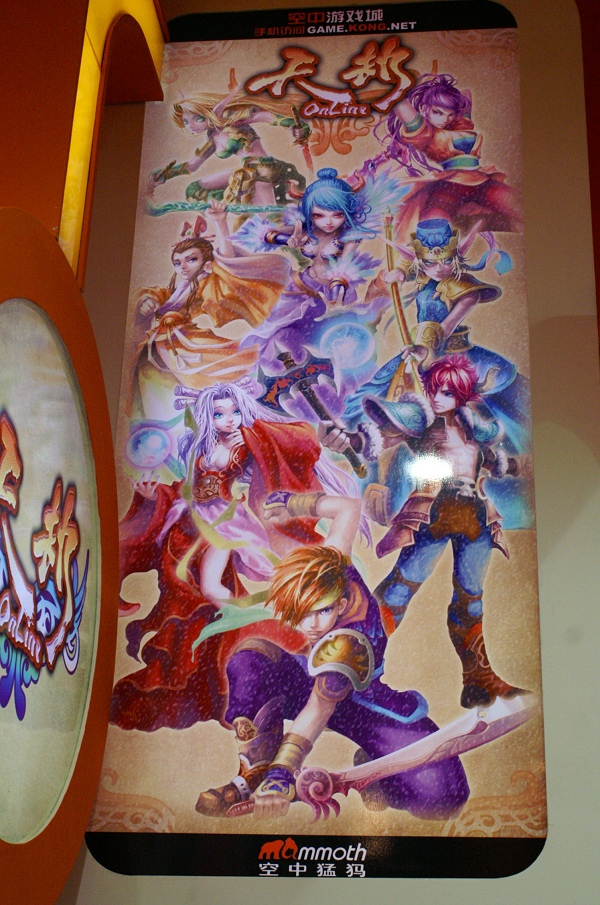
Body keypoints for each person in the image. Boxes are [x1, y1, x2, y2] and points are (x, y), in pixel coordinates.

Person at [110, 379, 365, 732]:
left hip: (226, 522)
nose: (229, 420)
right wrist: (155, 496)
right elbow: (189, 488)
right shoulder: (201, 447)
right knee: (197, 593)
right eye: (219, 414)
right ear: (208, 416)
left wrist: (320, 434)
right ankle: (235, 634)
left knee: (213, 588)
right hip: (194, 521)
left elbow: (292, 440)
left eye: (234, 412)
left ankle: (257, 625)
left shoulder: (246, 439)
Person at [196, 541, 470, 821]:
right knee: (251, 659)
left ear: (341, 604)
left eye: (323, 611)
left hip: (366, 711)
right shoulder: (334, 566)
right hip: (307, 683)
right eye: (302, 613)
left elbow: (318, 711)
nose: (312, 624)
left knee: (444, 797)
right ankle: (254, 770)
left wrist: (281, 776)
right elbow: (342, 520)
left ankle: (377, 775)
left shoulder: (347, 641)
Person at [322, 355, 528, 710]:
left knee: (471, 599)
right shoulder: (421, 419)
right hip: (434, 514)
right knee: (399, 590)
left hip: (476, 518)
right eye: (434, 390)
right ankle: (354, 663)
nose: (436, 398)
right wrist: (349, 440)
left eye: (447, 392)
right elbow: (380, 437)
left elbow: (493, 461)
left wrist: (517, 465)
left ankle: (478, 680)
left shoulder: (473, 427)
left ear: (461, 396)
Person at [127, 201, 290, 419]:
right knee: (151, 379)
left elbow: (227, 260)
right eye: (177, 263)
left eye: (191, 260)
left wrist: (220, 222)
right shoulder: (179, 289)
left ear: (206, 263)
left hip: (200, 347)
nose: (183, 267)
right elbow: (162, 296)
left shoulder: (212, 281)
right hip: (171, 349)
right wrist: (148, 301)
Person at [364, 73, 523, 242]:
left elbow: (466, 93)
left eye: (450, 114)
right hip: (450, 187)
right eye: (437, 112)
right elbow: (399, 102)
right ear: (425, 109)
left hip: (483, 183)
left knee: (521, 207)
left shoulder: (460, 125)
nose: (444, 120)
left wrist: (444, 93)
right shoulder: (425, 133)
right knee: (433, 229)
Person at [147, 87, 308, 211]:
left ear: (208, 113)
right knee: (195, 189)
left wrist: (293, 127)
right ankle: (227, 207)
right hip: (246, 172)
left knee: (268, 220)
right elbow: (192, 165)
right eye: (186, 122)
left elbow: (266, 117)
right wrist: (163, 174)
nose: (191, 126)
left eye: (198, 119)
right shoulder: (212, 136)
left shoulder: (233, 119)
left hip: (263, 169)